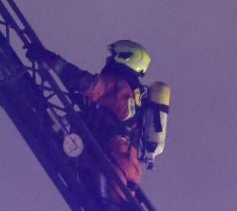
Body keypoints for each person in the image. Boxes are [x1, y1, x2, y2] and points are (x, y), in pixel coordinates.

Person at [25, 38, 161, 200]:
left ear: (125, 58)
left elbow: (84, 83)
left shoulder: (119, 86)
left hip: (111, 165)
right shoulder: (135, 96)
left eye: (113, 56)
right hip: (120, 166)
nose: (107, 60)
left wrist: (50, 58)